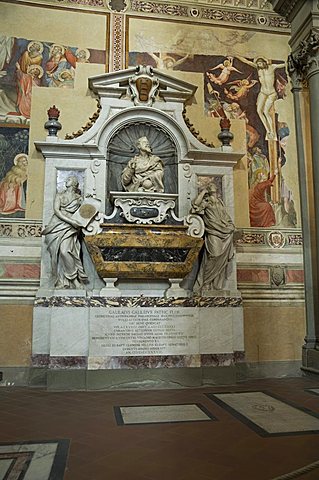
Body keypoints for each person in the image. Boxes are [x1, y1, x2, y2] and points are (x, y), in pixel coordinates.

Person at [42, 175, 88, 289]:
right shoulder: (60, 195)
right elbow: (57, 211)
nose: (66, 180)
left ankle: (73, 279)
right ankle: (63, 280)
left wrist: (89, 202)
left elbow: (85, 213)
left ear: (74, 183)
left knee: (65, 251)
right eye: (67, 179)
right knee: (59, 253)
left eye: (69, 179)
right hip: (57, 225)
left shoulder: (78, 198)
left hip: (71, 228)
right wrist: (71, 221)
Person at [191, 183, 235, 292]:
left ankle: (215, 284)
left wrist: (229, 225)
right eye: (209, 186)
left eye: (213, 185)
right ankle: (205, 282)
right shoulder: (206, 201)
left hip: (225, 233)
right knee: (214, 256)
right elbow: (195, 206)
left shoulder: (220, 202)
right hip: (213, 232)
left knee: (222, 259)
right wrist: (203, 192)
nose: (212, 186)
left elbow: (226, 217)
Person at [236, 56, 286, 140]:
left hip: (271, 93)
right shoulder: (258, 69)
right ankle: (268, 131)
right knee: (259, 111)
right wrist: (237, 55)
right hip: (263, 92)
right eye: (258, 64)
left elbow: (282, 65)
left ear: (264, 62)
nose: (259, 65)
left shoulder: (272, 67)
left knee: (266, 112)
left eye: (260, 63)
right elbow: (247, 62)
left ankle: (272, 132)